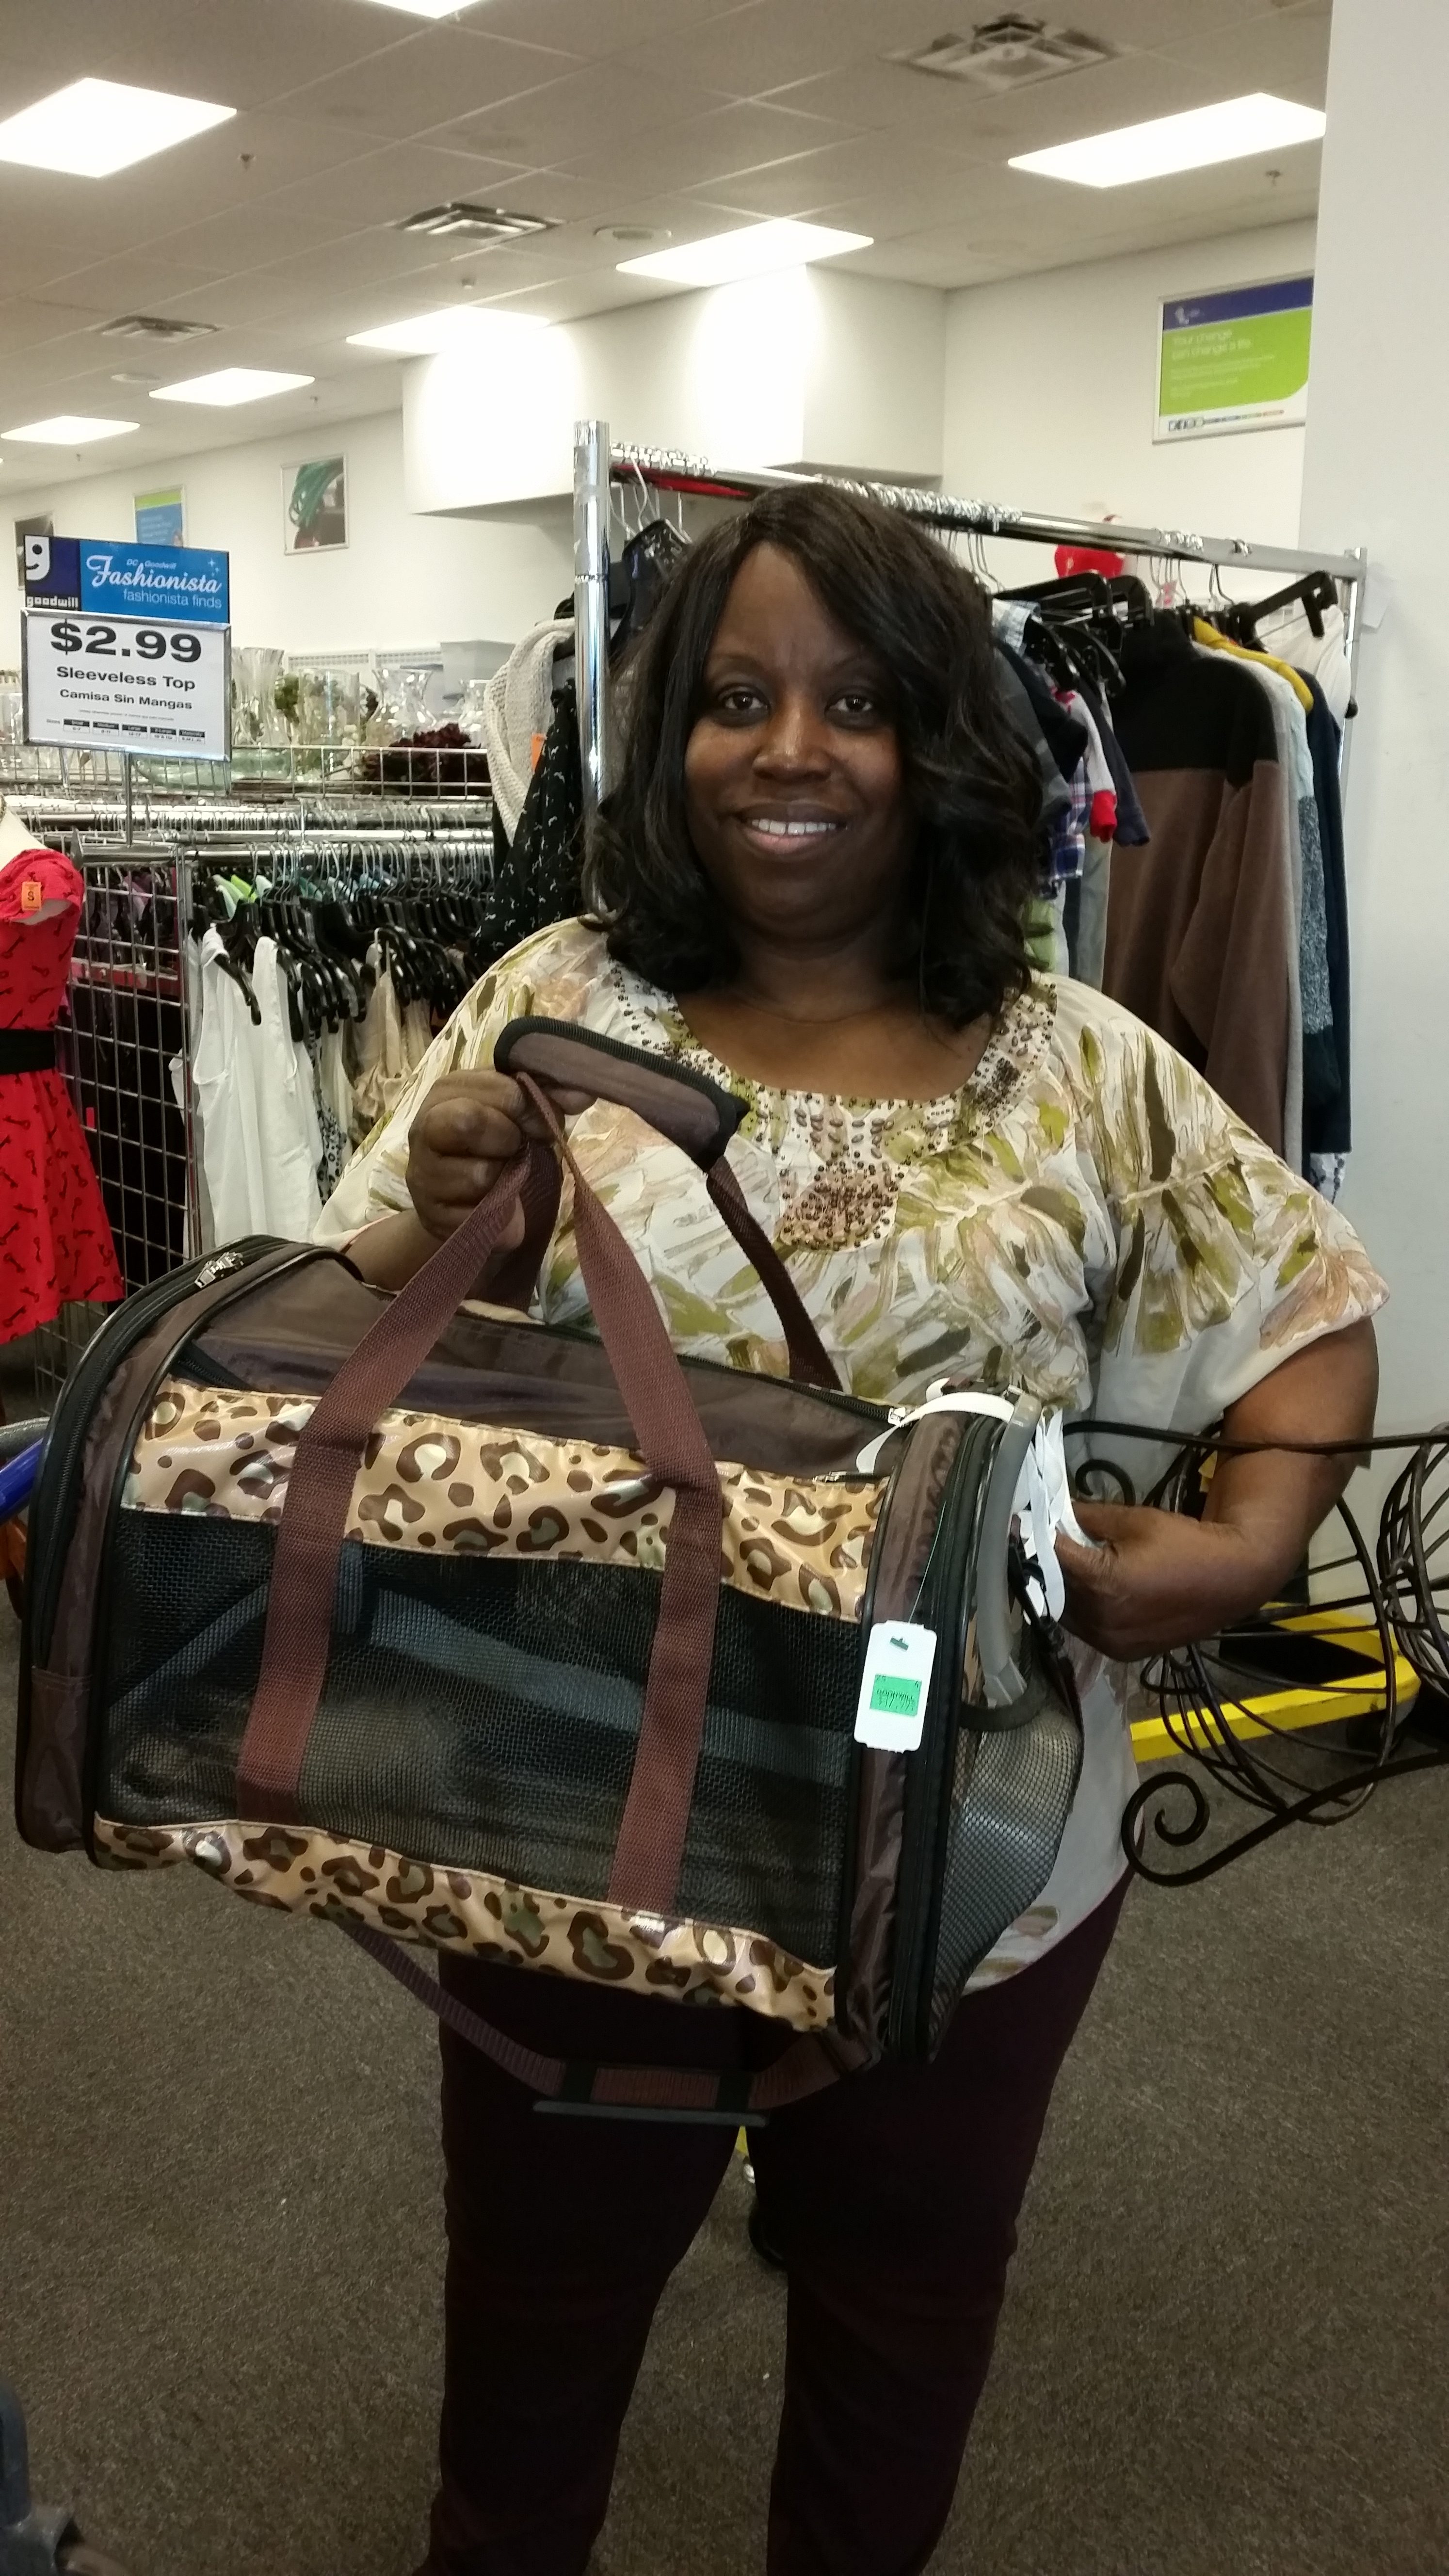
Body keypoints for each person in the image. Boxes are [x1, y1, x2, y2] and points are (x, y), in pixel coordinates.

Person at [318, 485, 1384, 2576]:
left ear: (950, 737)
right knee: (536, 2328)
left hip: (976, 1848)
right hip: (576, 1817)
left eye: (855, 699)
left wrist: (1255, 1538)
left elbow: (1309, 1304)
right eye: (732, 697)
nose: (788, 749)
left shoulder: (1079, 1067)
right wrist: (442, 1211)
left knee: (902, 2305)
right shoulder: (558, 1004)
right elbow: (357, 1317)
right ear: (666, 736)